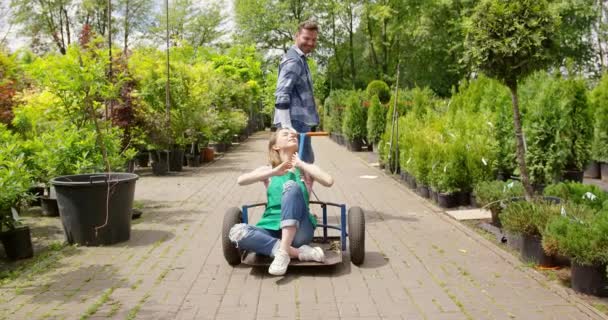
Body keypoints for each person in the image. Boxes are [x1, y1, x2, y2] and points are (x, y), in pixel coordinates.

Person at [229, 128, 334, 276]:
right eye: (285, 134)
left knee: (291, 187)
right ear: (275, 146)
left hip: (300, 231)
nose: (292, 135)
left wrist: (301, 164)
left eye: (293, 134)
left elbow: (328, 181)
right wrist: (273, 171)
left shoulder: (305, 170)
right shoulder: (269, 170)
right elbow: (241, 180)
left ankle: (283, 252)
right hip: (271, 227)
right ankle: (298, 253)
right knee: (236, 233)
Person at [274, 20, 319, 164]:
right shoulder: (293, 61)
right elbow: (282, 94)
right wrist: (287, 127)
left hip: (299, 123)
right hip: (295, 124)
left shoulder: (300, 59)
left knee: (301, 167)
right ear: (296, 36)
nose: (311, 43)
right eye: (306, 38)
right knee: (301, 169)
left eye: (314, 39)